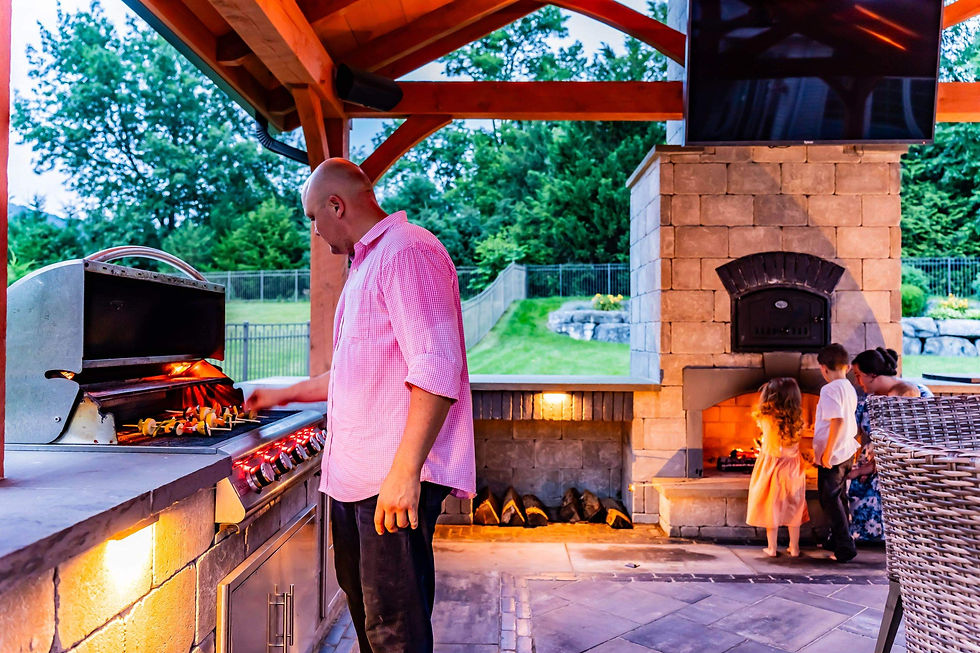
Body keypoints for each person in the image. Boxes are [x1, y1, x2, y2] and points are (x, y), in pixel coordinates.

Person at [245, 158, 476, 653]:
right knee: (369, 616)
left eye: (313, 217)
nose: (314, 229)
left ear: (336, 205)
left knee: (395, 628)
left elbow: (436, 367)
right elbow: (352, 374)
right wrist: (283, 394)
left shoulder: (407, 253)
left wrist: (403, 473)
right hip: (361, 482)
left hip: (387, 482)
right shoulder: (368, 264)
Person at [848, 347, 932, 543]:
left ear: (872, 375)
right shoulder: (868, 401)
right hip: (873, 459)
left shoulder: (912, 393)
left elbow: (906, 441)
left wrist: (866, 469)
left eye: (858, 376)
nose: (857, 382)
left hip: (900, 463)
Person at [746, 377, 810, 557]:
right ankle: (794, 547)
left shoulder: (765, 417)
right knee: (794, 505)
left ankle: (772, 548)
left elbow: (768, 442)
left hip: (772, 465)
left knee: (771, 505)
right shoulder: (798, 417)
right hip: (793, 467)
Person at [813, 344, 860, 563]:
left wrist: (827, 453)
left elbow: (838, 420)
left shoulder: (829, 389)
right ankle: (838, 539)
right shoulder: (848, 386)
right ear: (848, 367)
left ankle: (845, 546)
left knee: (829, 499)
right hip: (846, 451)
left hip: (834, 454)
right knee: (839, 497)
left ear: (823, 368)